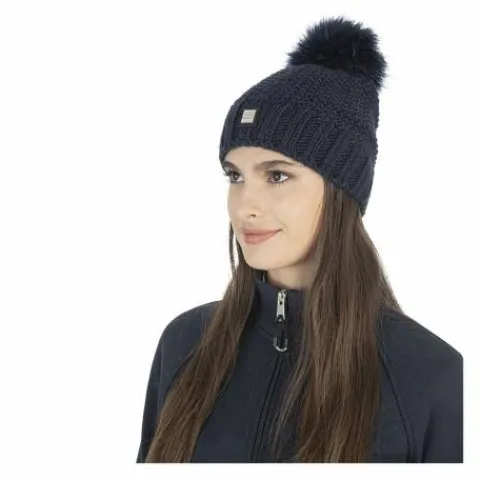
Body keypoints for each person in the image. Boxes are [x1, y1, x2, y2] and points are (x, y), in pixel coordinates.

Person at [136, 16, 463, 463]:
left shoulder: (431, 376)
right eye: (235, 176)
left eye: (277, 175)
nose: (244, 206)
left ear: (342, 188)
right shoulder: (185, 344)